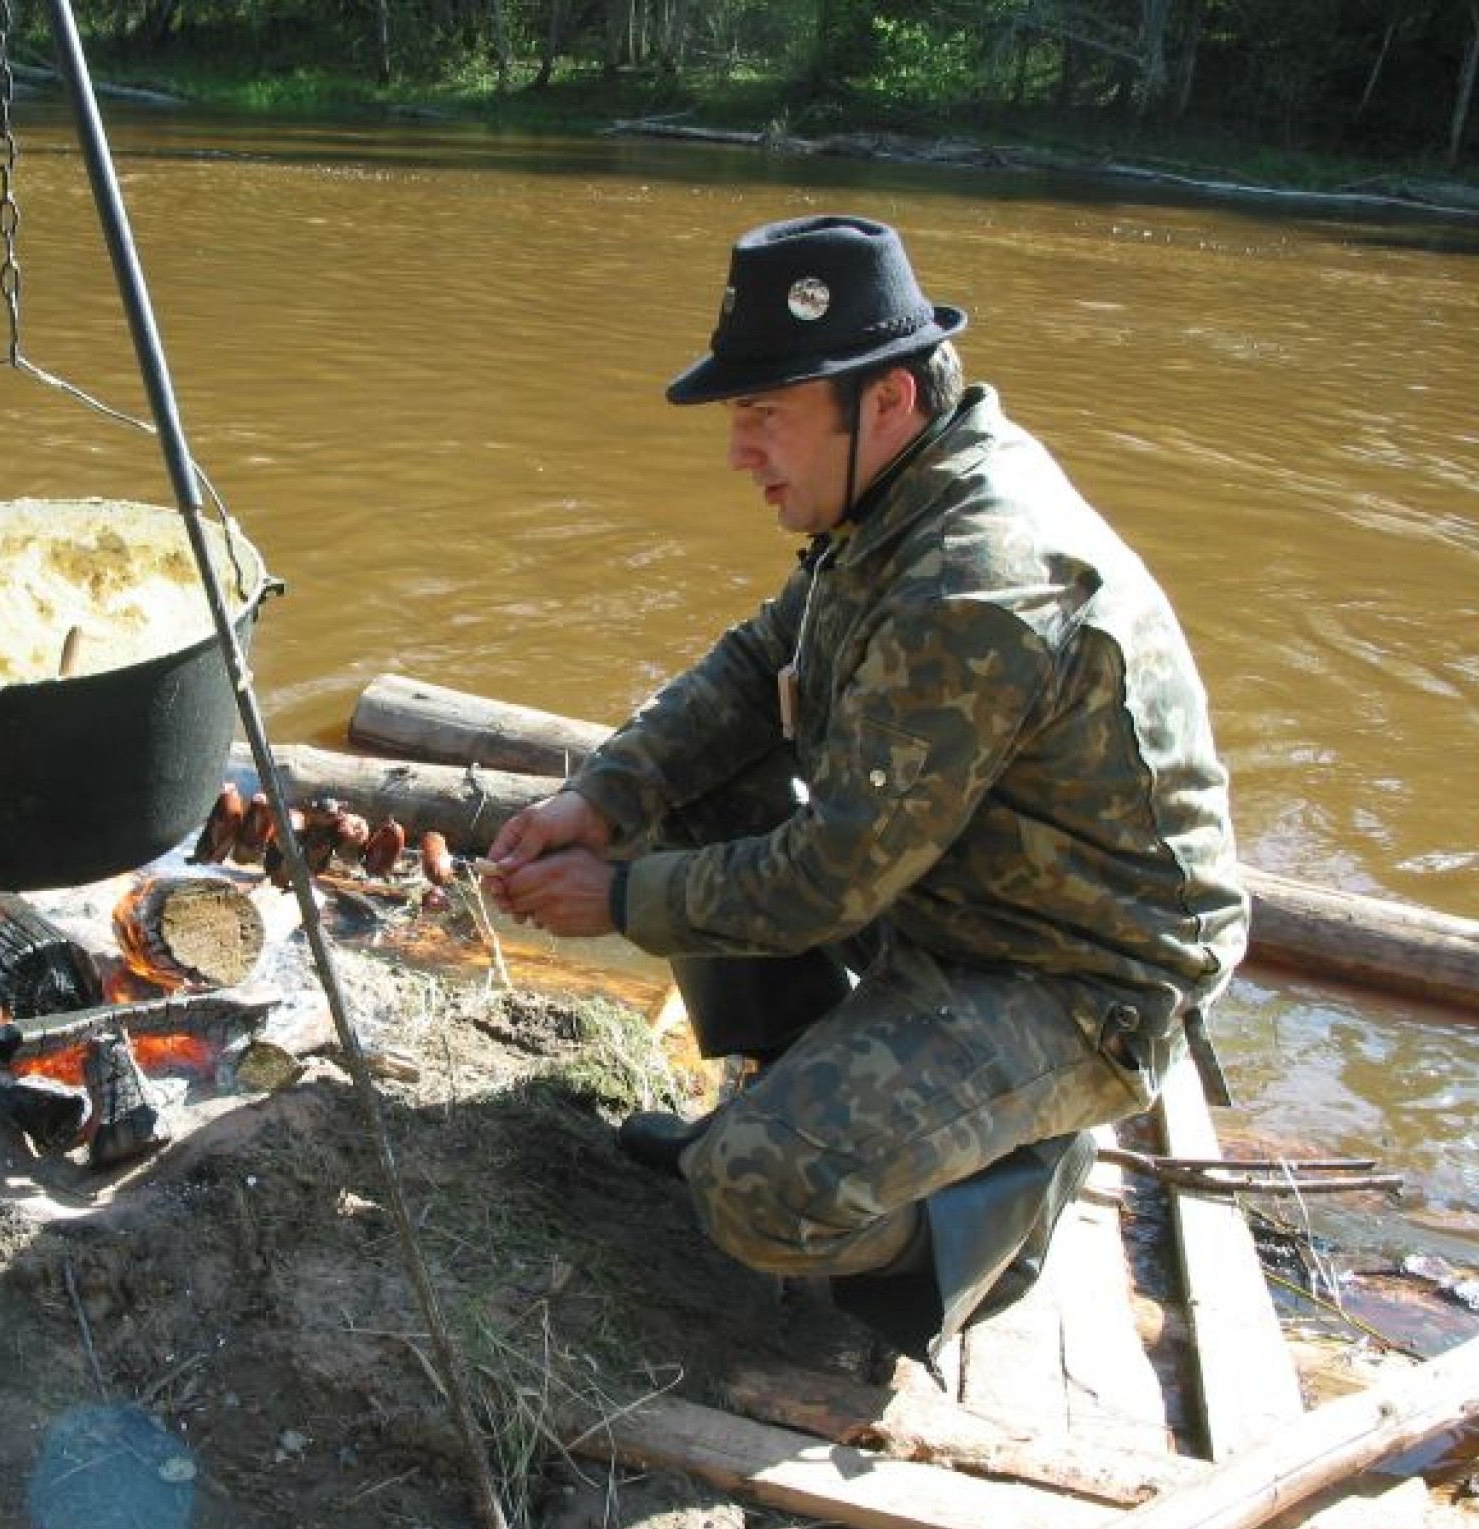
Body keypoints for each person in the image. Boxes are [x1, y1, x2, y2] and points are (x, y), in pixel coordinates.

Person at [485, 214, 1248, 1360]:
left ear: (882, 399)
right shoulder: (895, 491)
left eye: (763, 416)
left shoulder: (976, 583)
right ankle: (814, 1082)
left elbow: (825, 882)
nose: (740, 451)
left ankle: (1001, 1204)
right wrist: (601, 796)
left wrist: (620, 898)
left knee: (754, 1194)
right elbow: (757, 668)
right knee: (685, 791)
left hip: (1071, 975)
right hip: (949, 893)